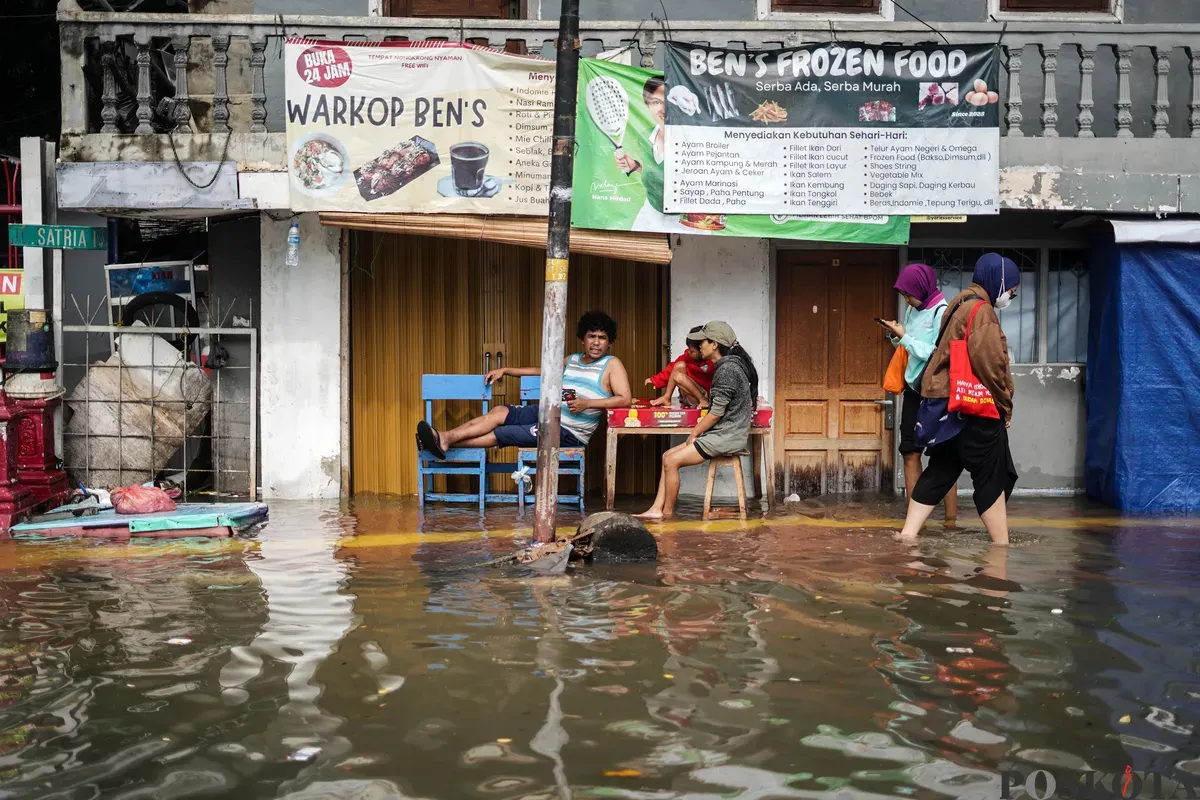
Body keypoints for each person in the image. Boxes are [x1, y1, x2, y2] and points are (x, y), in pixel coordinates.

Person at [897, 253, 1020, 546]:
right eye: (1012, 289)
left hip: (948, 406)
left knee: (941, 468)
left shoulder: (958, 303)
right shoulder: (982, 311)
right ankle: (1001, 548)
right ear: (998, 281)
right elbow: (991, 365)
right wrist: (1005, 406)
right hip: (975, 409)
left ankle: (906, 536)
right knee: (990, 474)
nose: (1011, 295)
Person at [415, 311, 632, 457]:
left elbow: (624, 399)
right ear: (582, 338)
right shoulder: (573, 360)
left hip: (568, 432)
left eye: (601, 337)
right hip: (548, 414)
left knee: (506, 432)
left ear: (609, 341)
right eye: (591, 336)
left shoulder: (612, 365)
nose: (596, 342)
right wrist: (506, 370)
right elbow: (542, 370)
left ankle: (443, 442)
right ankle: (444, 438)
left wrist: (588, 403)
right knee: (500, 411)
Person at [637, 321, 759, 520]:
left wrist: (694, 433)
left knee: (672, 461)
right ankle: (656, 509)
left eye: (702, 342)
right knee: (667, 456)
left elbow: (716, 413)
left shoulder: (727, 370)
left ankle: (667, 516)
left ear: (714, 345)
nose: (699, 346)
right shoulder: (729, 366)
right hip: (723, 433)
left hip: (727, 436)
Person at [879, 263, 958, 524]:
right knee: (910, 451)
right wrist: (896, 336)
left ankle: (950, 521)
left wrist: (905, 338)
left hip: (937, 393)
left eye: (908, 294)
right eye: (903, 295)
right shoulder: (913, 309)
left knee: (943, 458)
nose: (906, 299)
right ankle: (915, 521)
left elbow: (936, 353)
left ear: (923, 288)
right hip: (914, 391)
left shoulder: (942, 312)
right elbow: (910, 347)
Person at [615, 77, 711, 235]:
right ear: (647, 106)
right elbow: (660, 175)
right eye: (655, 102)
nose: (663, 108)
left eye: (669, 100)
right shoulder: (645, 137)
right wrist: (636, 166)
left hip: (687, 225)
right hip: (650, 217)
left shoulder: (697, 140)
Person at [645, 326, 714, 408]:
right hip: (687, 395)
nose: (689, 352)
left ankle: (703, 400)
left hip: (705, 395)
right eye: (689, 349)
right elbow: (670, 370)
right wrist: (656, 380)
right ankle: (667, 397)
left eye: (692, 351)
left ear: (702, 349)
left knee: (679, 377)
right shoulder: (686, 357)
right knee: (679, 366)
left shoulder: (712, 360)